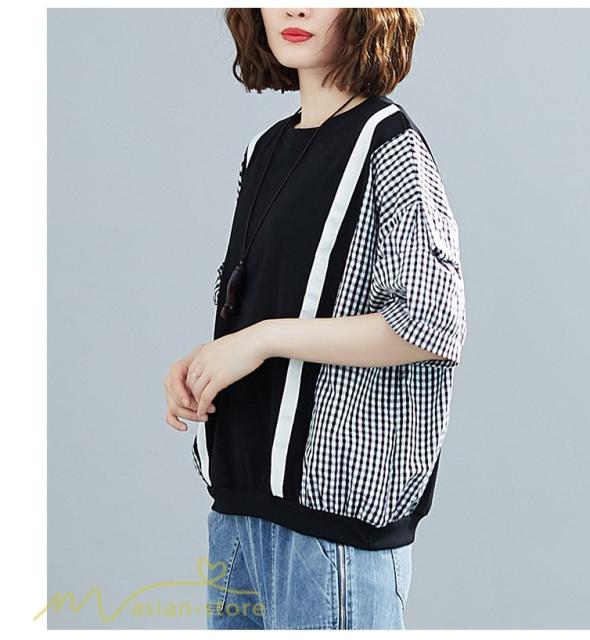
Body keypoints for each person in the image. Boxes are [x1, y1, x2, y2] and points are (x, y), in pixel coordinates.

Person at [163, 7, 468, 630]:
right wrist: (208, 362)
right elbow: (277, 300)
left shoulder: (388, 143)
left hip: (330, 531)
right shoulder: (265, 149)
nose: (295, 9)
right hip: (239, 511)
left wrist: (261, 340)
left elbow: (431, 318)